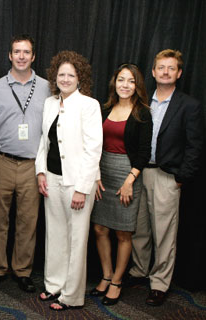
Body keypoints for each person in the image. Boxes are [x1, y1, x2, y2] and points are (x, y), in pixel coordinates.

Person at [127, 49, 204, 306]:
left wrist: (181, 177)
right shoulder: (143, 101)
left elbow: (195, 146)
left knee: (164, 233)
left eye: (171, 68)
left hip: (165, 175)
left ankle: (159, 283)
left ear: (179, 73)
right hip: (139, 172)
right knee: (138, 230)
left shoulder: (189, 105)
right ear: (153, 71)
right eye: (161, 67)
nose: (166, 72)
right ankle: (138, 271)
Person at [35, 50, 102, 310]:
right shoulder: (50, 103)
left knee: (76, 240)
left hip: (77, 184)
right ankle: (53, 286)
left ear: (80, 78)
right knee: (55, 235)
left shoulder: (89, 105)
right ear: (55, 77)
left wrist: (83, 188)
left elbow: (93, 150)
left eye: (70, 75)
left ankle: (71, 296)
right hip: (51, 179)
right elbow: (44, 142)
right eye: (61, 74)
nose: (65, 79)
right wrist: (40, 172)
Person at [0, 34, 50, 292]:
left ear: (33, 56)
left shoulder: (47, 87)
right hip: (1, 161)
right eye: (16, 52)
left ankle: (22, 271)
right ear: (9, 56)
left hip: (33, 166)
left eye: (26, 52)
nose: (21, 56)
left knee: (28, 221)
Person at [90, 64, 152, 305]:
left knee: (123, 232)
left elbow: (144, 153)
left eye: (131, 81)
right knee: (99, 229)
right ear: (114, 83)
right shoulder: (104, 109)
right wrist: (94, 175)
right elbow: (94, 143)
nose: (125, 85)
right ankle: (105, 275)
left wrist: (129, 181)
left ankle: (117, 280)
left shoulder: (142, 113)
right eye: (121, 80)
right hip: (102, 171)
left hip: (128, 175)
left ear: (137, 86)